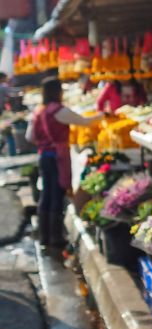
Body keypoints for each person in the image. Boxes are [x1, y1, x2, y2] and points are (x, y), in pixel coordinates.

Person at [27, 78, 102, 249]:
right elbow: (84, 121)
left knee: (46, 195)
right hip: (57, 157)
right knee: (56, 194)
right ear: (57, 91)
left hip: (43, 156)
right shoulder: (58, 110)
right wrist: (103, 115)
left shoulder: (39, 111)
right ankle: (56, 237)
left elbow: (29, 137)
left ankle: (44, 236)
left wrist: (44, 142)